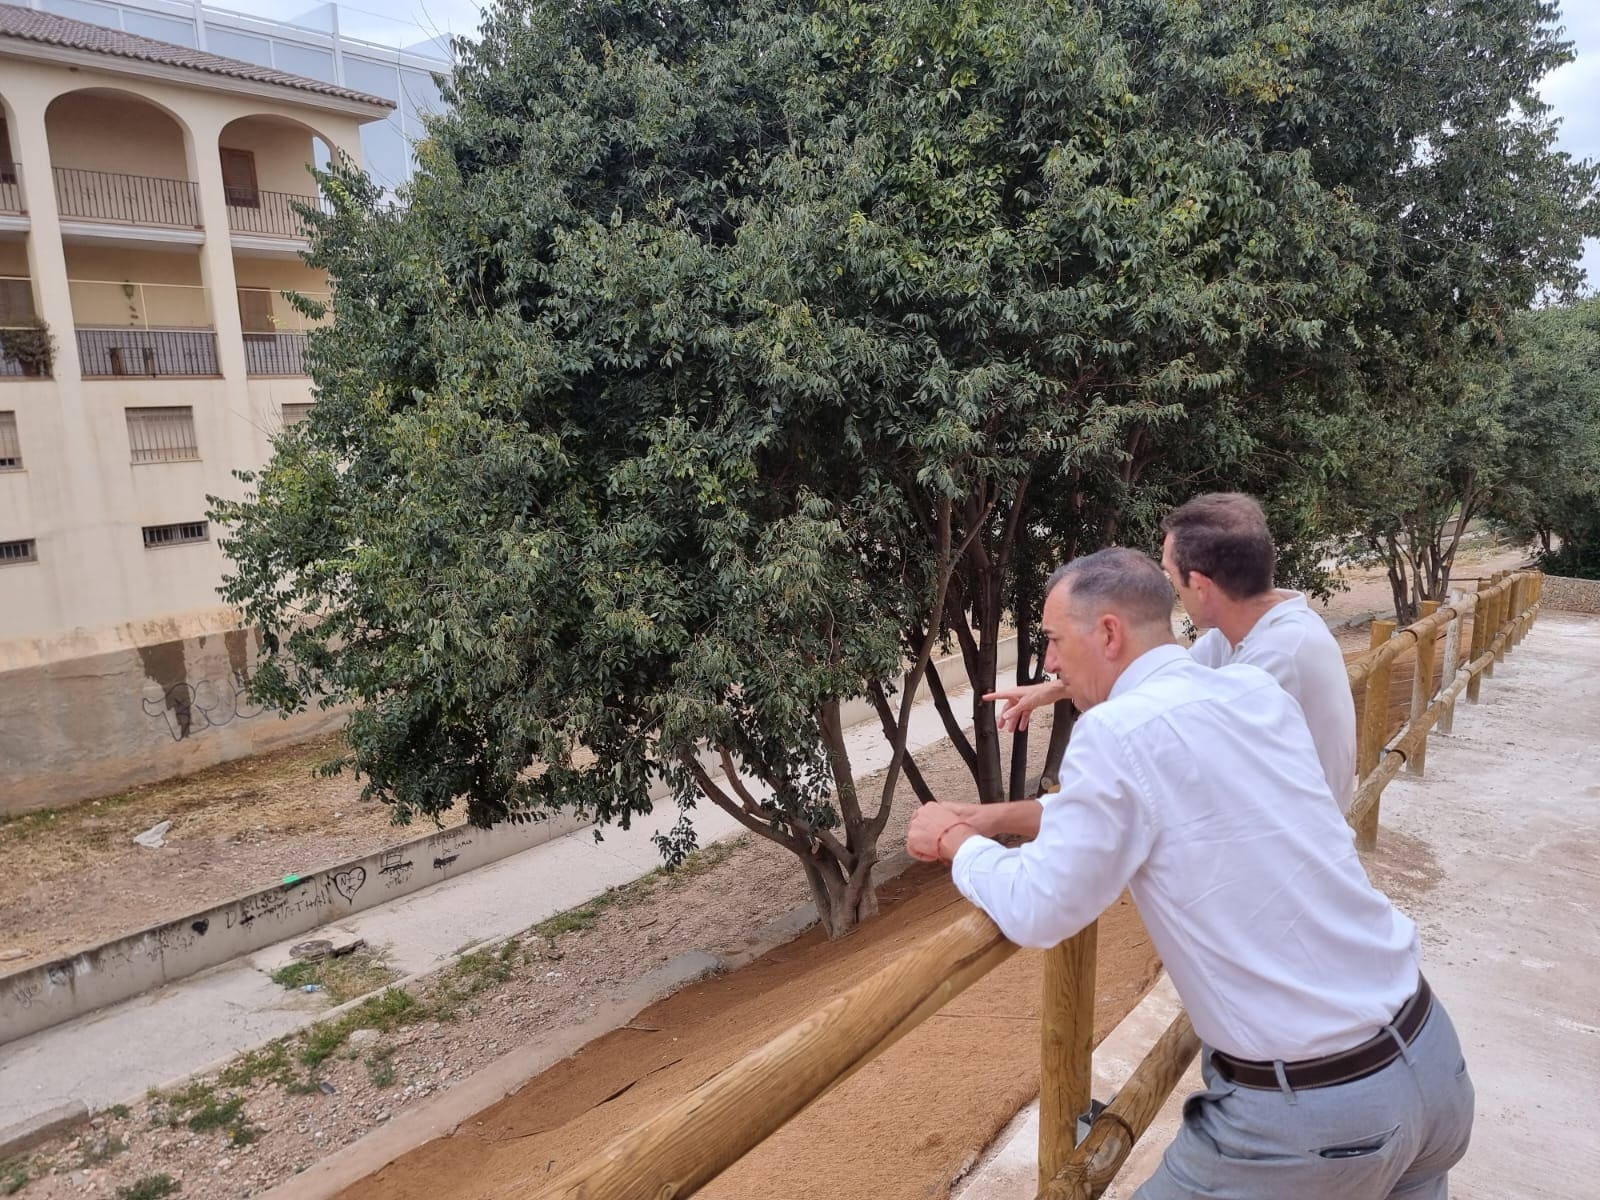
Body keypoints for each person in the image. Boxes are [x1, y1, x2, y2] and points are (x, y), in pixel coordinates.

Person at [909, 549, 1473, 1199]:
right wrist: (991, 816)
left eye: (1056, 643)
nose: (1053, 664)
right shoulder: (1249, 688)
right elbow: (1134, 803)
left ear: (1110, 633)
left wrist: (955, 841)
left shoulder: (1115, 733)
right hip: (1430, 1060)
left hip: (1315, 1114)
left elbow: (1044, 904)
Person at [985, 493, 1357, 813]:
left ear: (1198, 584)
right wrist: (1054, 690)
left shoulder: (1277, 659)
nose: (1169, 587)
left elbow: (1176, 742)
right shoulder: (1246, 632)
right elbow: (1163, 679)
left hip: (1285, 853)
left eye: (1169, 574)